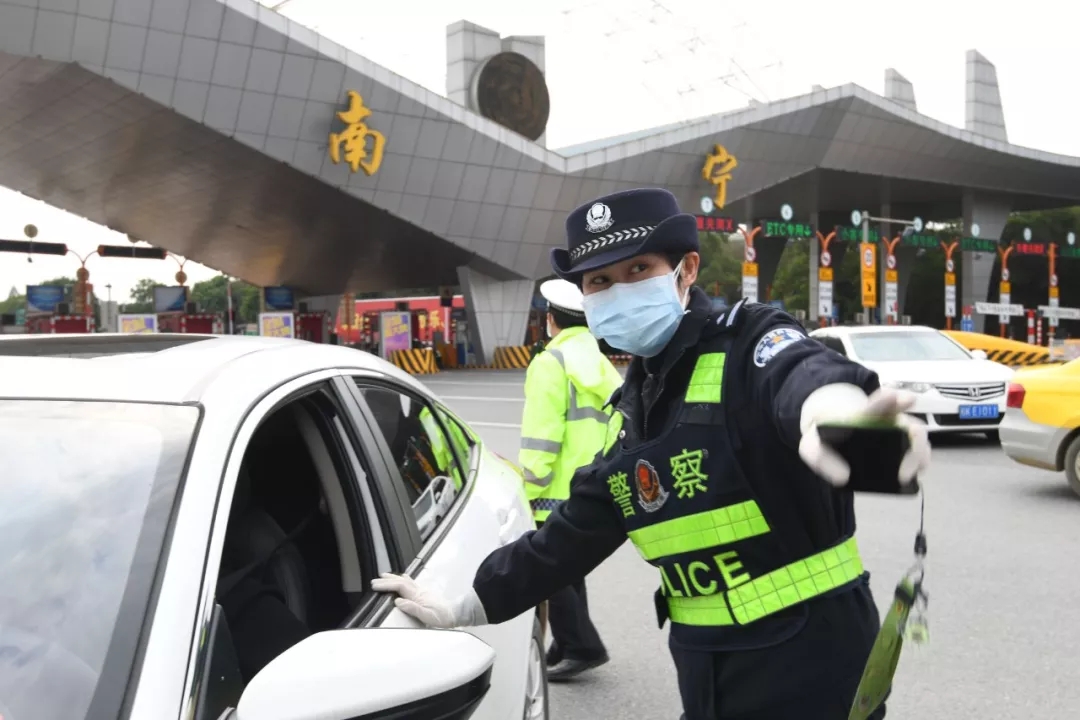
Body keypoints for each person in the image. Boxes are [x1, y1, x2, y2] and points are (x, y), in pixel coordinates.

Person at [373, 188, 932, 720]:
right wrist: (462, 604)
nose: (619, 291)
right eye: (600, 281)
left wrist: (831, 409)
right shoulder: (636, 407)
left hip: (812, 659)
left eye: (638, 270)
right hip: (706, 663)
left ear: (686, 270)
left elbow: (797, 371)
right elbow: (568, 536)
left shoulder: (746, 340)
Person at [520, 278, 624, 680]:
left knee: (548, 568)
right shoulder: (597, 362)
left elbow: (542, 434)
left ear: (550, 320)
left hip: (553, 488)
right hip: (590, 482)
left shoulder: (550, 363)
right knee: (570, 565)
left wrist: (529, 484)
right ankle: (565, 644)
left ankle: (582, 646)